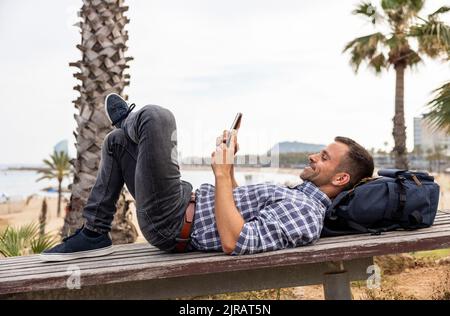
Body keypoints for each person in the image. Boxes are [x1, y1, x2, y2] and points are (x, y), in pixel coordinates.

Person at [40, 94, 374, 261]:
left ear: (341, 178)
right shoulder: (300, 196)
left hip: (173, 222)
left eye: (324, 157)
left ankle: (128, 119)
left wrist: (224, 172)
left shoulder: (307, 213)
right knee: (117, 144)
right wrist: (231, 164)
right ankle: (95, 232)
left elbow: (237, 241)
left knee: (156, 118)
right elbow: (239, 216)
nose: (313, 156)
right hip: (182, 204)